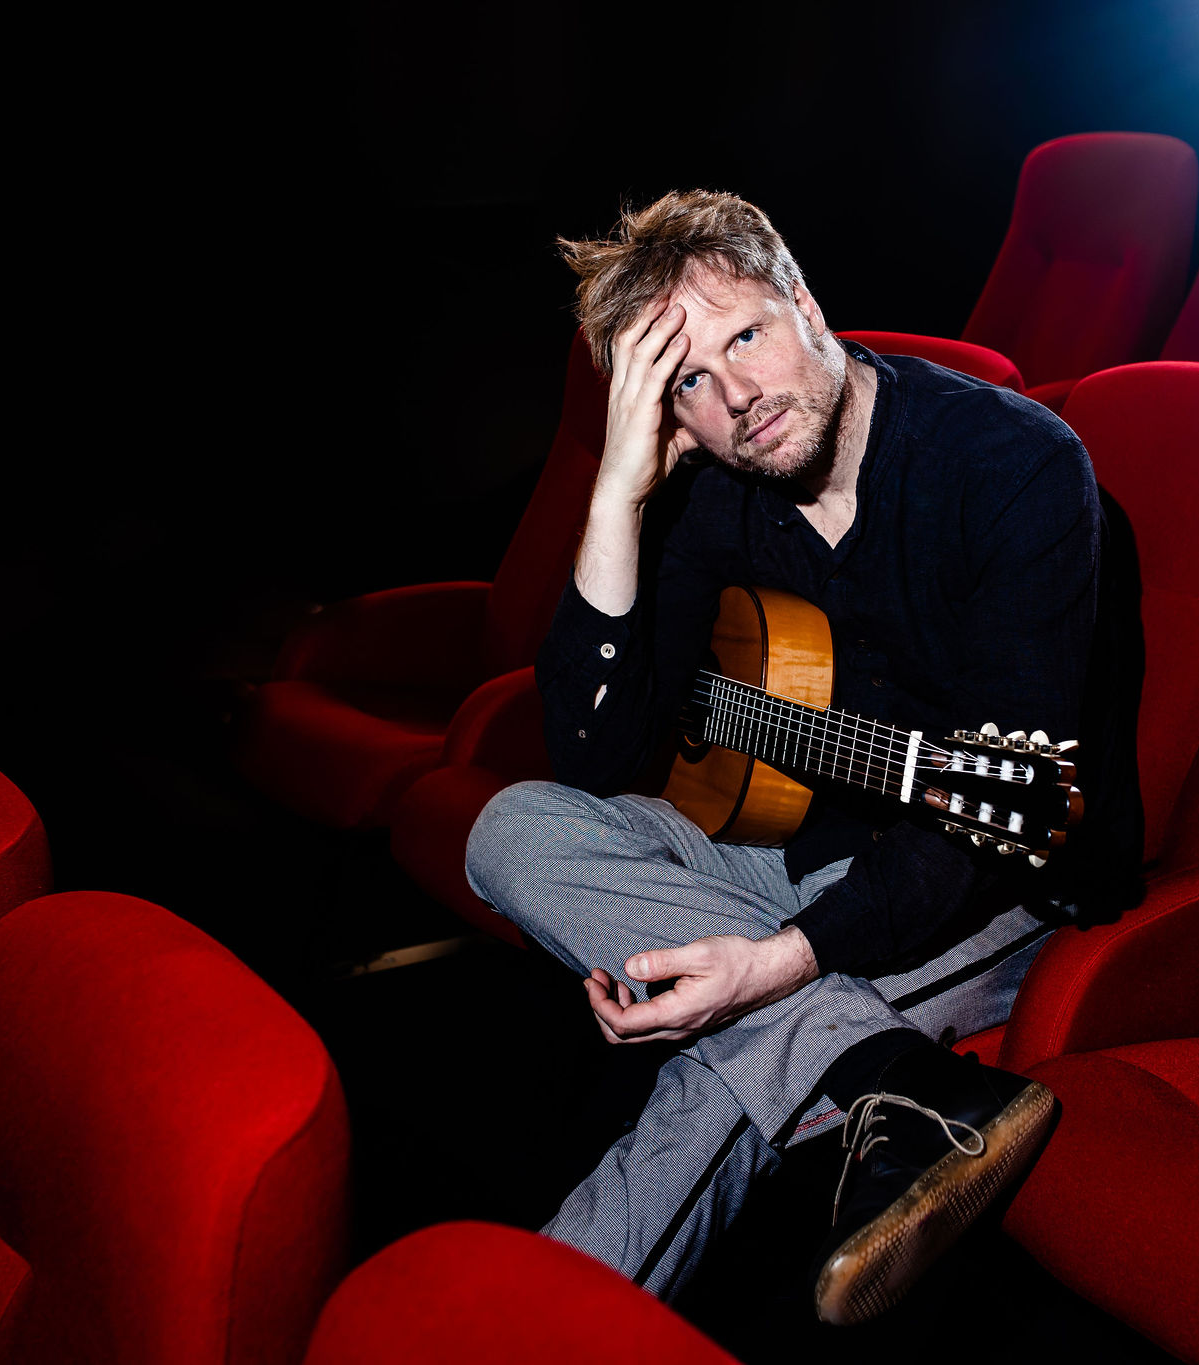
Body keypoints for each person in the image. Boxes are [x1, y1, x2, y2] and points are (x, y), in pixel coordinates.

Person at [465, 189, 1142, 1324]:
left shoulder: (1011, 465)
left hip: (997, 883)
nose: (736, 398)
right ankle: (894, 1081)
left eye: (745, 336)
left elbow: (989, 832)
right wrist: (619, 493)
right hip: (798, 845)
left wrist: (770, 967)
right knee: (510, 827)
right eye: (689, 380)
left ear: (806, 304)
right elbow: (593, 751)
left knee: (714, 1078)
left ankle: (524, 1330)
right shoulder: (712, 490)